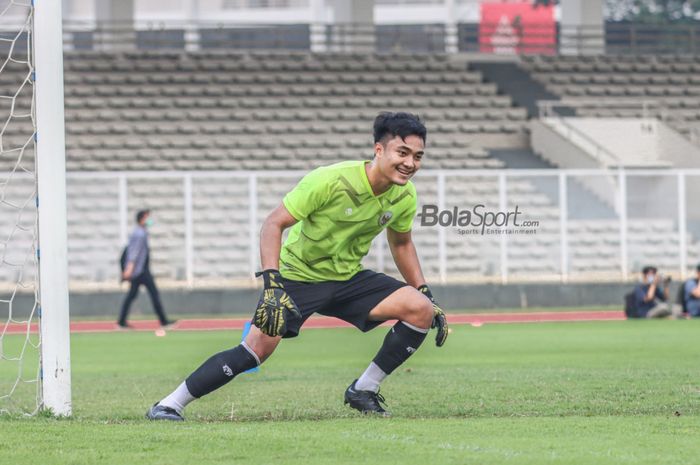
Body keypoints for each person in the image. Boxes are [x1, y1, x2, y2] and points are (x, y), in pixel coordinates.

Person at [146, 112, 448, 421]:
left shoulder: (405, 195)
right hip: (297, 278)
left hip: (348, 279)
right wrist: (272, 283)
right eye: (403, 152)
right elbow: (273, 224)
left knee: (420, 309)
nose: (410, 163)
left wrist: (424, 290)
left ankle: (363, 389)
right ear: (379, 150)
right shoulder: (330, 180)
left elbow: (401, 244)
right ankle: (169, 404)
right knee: (254, 352)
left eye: (418, 156)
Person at [118, 209, 175, 329]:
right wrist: (129, 268)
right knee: (154, 294)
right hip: (141, 271)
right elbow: (134, 252)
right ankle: (164, 322)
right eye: (147, 217)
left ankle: (121, 321)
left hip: (139, 271)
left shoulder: (140, 232)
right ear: (142, 219)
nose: (150, 220)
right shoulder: (140, 233)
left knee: (132, 296)